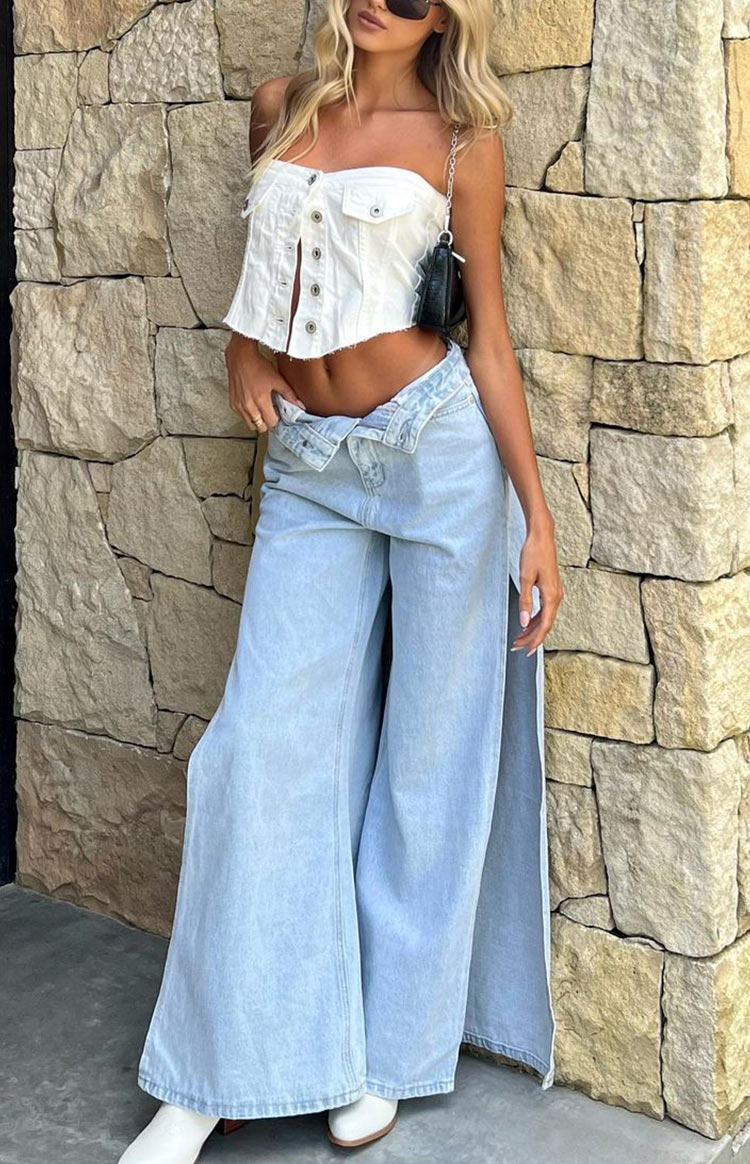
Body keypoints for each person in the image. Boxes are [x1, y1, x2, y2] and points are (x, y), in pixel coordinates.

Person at [119, 1, 562, 1160]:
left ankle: (379, 1053)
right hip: (311, 466)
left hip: (438, 456)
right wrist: (242, 348)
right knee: (255, 750)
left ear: (444, 16)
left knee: (428, 757)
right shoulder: (280, 106)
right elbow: (267, 274)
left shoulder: (463, 141)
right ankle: (211, 1073)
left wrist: (536, 516)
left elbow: (488, 335)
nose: (380, 2)